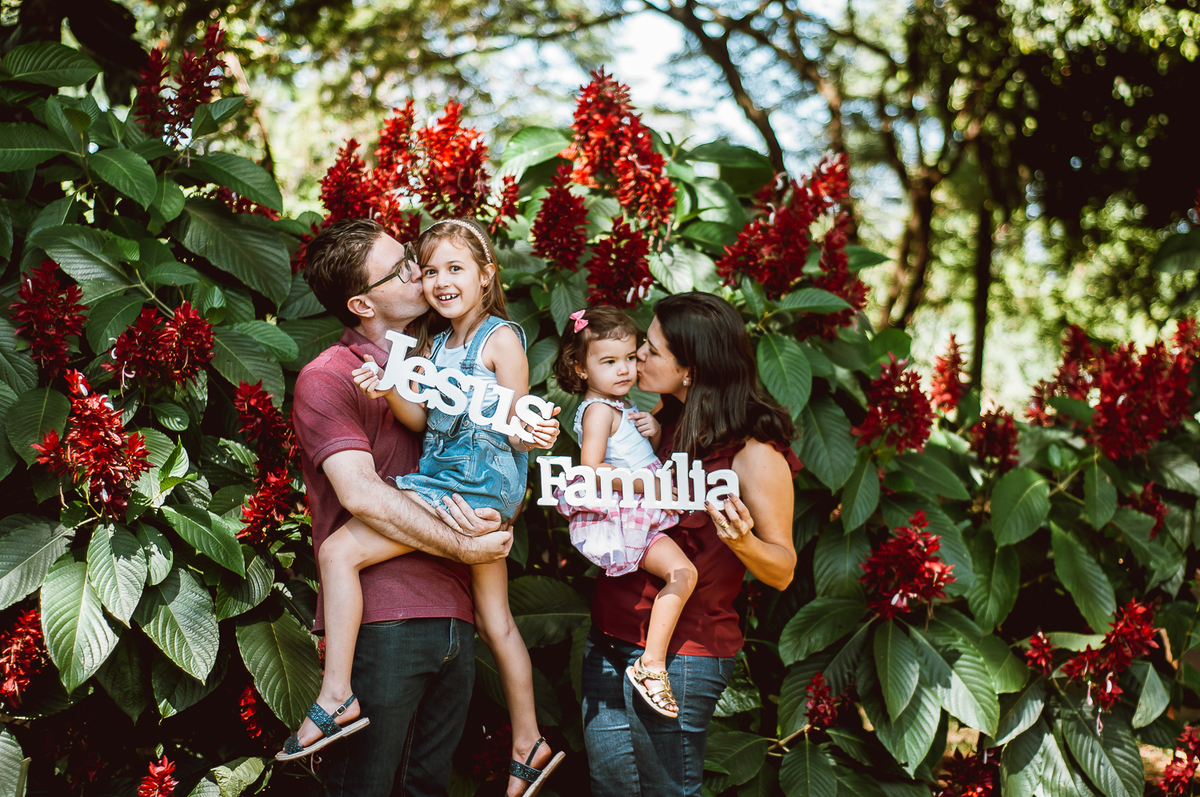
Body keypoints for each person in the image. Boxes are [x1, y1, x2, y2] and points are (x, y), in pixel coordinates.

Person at [289, 217, 511, 797]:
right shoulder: (329, 377)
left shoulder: (449, 362)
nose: (421, 272)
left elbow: (493, 461)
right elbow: (362, 495)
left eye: (414, 257)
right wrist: (468, 543)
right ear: (362, 302)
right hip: (383, 622)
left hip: (456, 622)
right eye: (404, 268)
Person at [342, 218, 565, 797]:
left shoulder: (502, 339)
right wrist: (387, 383)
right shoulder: (434, 346)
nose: (441, 281)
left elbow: (513, 424)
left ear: (487, 276)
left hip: (475, 490)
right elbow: (421, 420)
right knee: (497, 624)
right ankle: (530, 744)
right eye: (431, 270)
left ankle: (333, 698)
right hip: (446, 481)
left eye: (455, 269)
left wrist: (534, 431)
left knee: (343, 551)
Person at [580, 292, 802, 797]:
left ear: (692, 371)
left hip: (683, 654)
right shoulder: (657, 421)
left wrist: (742, 541)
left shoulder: (754, 453)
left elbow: (782, 569)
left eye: (652, 351)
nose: (637, 357)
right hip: (609, 633)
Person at [551, 306, 694, 717]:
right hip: (630, 516)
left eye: (631, 358)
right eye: (609, 362)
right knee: (683, 573)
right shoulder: (598, 412)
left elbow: (627, 447)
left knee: (683, 574)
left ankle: (651, 663)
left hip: (644, 509)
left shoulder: (618, 406)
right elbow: (592, 471)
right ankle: (652, 665)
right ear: (579, 368)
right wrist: (645, 484)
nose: (625, 369)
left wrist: (650, 427)